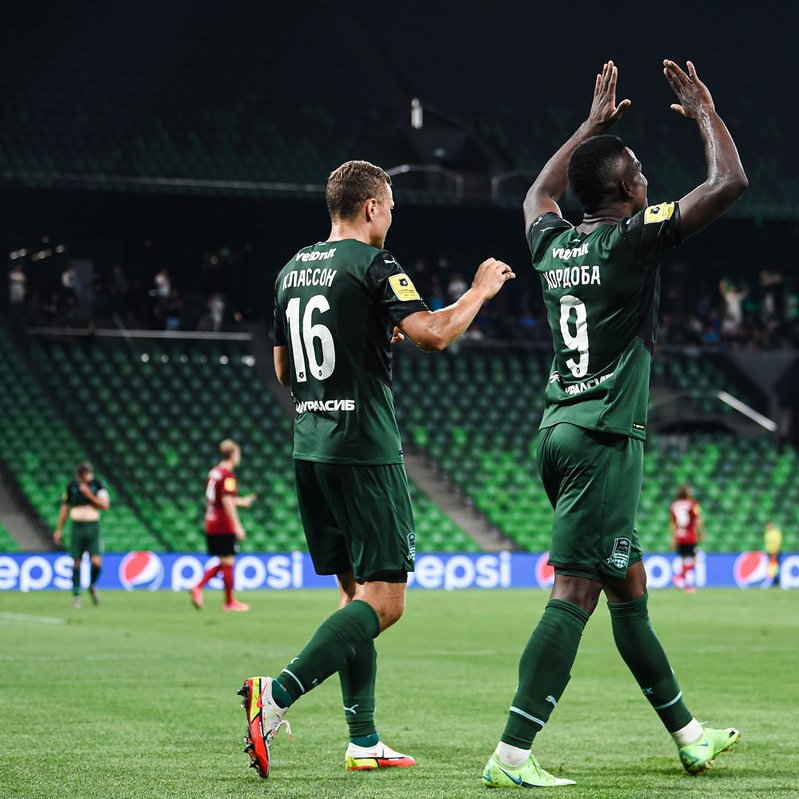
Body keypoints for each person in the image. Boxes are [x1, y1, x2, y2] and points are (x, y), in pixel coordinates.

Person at [481, 59, 747, 789]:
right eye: (639, 174)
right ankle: (511, 754)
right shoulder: (629, 240)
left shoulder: (553, 243)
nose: (647, 182)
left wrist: (589, 127)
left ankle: (689, 737)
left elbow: (538, 194)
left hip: (558, 428)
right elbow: (728, 183)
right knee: (575, 590)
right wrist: (705, 114)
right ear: (625, 193)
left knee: (627, 585)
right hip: (603, 436)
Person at [239, 159, 514, 779]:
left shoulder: (291, 270)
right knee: (385, 603)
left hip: (311, 446)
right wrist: (479, 290)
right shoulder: (375, 264)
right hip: (363, 449)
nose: (392, 216)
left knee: (353, 595)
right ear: (370, 207)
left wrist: (359, 341)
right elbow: (434, 334)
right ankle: (275, 695)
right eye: (390, 206)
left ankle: (363, 740)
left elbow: (284, 370)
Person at [190, 440, 256, 612]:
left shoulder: (214, 472)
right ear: (233, 455)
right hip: (223, 523)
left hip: (211, 520)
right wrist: (237, 526)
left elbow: (220, 498)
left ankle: (202, 588)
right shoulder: (228, 476)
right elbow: (227, 502)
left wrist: (242, 501)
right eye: (238, 454)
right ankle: (226, 601)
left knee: (226, 561)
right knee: (228, 561)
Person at [52, 462, 110, 609]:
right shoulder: (72, 486)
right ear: (80, 475)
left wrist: (88, 494)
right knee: (76, 562)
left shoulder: (98, 485)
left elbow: (105, 505)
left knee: (96, 562)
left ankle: (91, 585)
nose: (89, 476)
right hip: (77, 528)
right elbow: (65, 507)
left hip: (93, 527)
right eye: (85, 474)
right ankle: (76, 595)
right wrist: (59, 529)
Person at [669, 485, 704, 592]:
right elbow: (698, 521)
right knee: (695, 559)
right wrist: (701, 533)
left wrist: (673, 538)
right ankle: (680, 576)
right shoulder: (693, 504)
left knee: (683, 560)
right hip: (690, 536)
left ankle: (686, 585)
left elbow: (672, 524)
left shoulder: (674, 505)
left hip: (679, 536)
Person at [763, 521, 783, 589]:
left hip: (774, 552)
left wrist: (775, 551)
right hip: (769, 552)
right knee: (772, 566)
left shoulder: (775, 533)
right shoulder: (767, 532)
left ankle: (771, 581)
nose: (767, 527)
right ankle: (775, 581)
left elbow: (777, 542)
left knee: (773, 566)